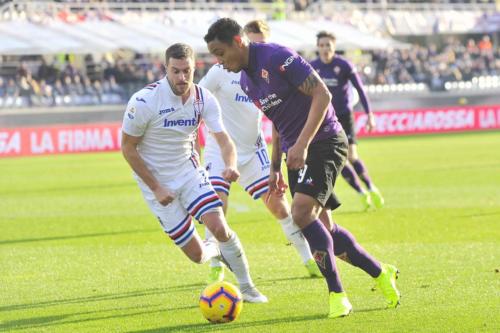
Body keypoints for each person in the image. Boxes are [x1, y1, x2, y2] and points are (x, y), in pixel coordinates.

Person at [204, 18, 400, 318]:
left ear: (238, 42)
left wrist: (303, 144)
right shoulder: (246, 81)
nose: (218, 61)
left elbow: (323, 94)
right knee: (326, 229)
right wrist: (274, 169)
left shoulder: (276, 56)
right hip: (296, 154)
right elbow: (279, 123)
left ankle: (337, 295)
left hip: (324, 140)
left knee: (300, 212)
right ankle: (379, 271)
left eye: (220, 52)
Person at [121, 43, 267, 303]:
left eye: (186, 71)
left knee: (219, 226)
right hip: (156, 185)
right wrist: (156, 187)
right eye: (175, 71)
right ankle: (214, 251)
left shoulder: (203, 98)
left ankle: (247, 288)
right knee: (198, 256)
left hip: (190, 173)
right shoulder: (144, 101)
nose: (181, 77)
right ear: (165, 68)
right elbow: (128, 148)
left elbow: (224, 140)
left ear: (194, 68)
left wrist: (230, 164)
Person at [199, 19, 321, 283]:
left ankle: (308, 259)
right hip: (219, 153)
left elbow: (276, 114)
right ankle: (217, 263)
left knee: (280, 207)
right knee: (216, 205)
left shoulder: (262, 70)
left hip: (253, 151)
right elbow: (198, 100)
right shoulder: (220, 72)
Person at [310, 31, 385, 210]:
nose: (325, 48)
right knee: (339, 160)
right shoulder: (312, 67)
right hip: (325, 119)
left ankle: (371, 187)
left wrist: (370, 116)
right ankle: (361, 193)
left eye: (328, 45)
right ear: (317, 47)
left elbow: (360, 89)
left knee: (352, 156)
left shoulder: (343, 65)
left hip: (344, 115)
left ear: (334, 46)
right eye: (321, 45)